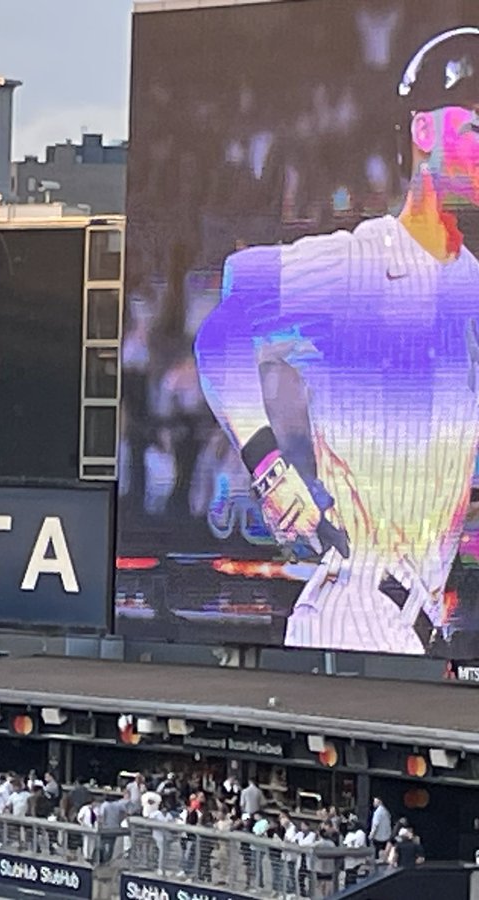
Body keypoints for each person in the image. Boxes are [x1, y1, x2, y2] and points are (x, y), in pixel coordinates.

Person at [194, 27, 479, 654]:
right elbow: (221, 331)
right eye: (474, 128)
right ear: (423, 132)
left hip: (429, 624)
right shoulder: (356, 263)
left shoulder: (472, 287)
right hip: (355, 608)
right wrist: (269, 468)